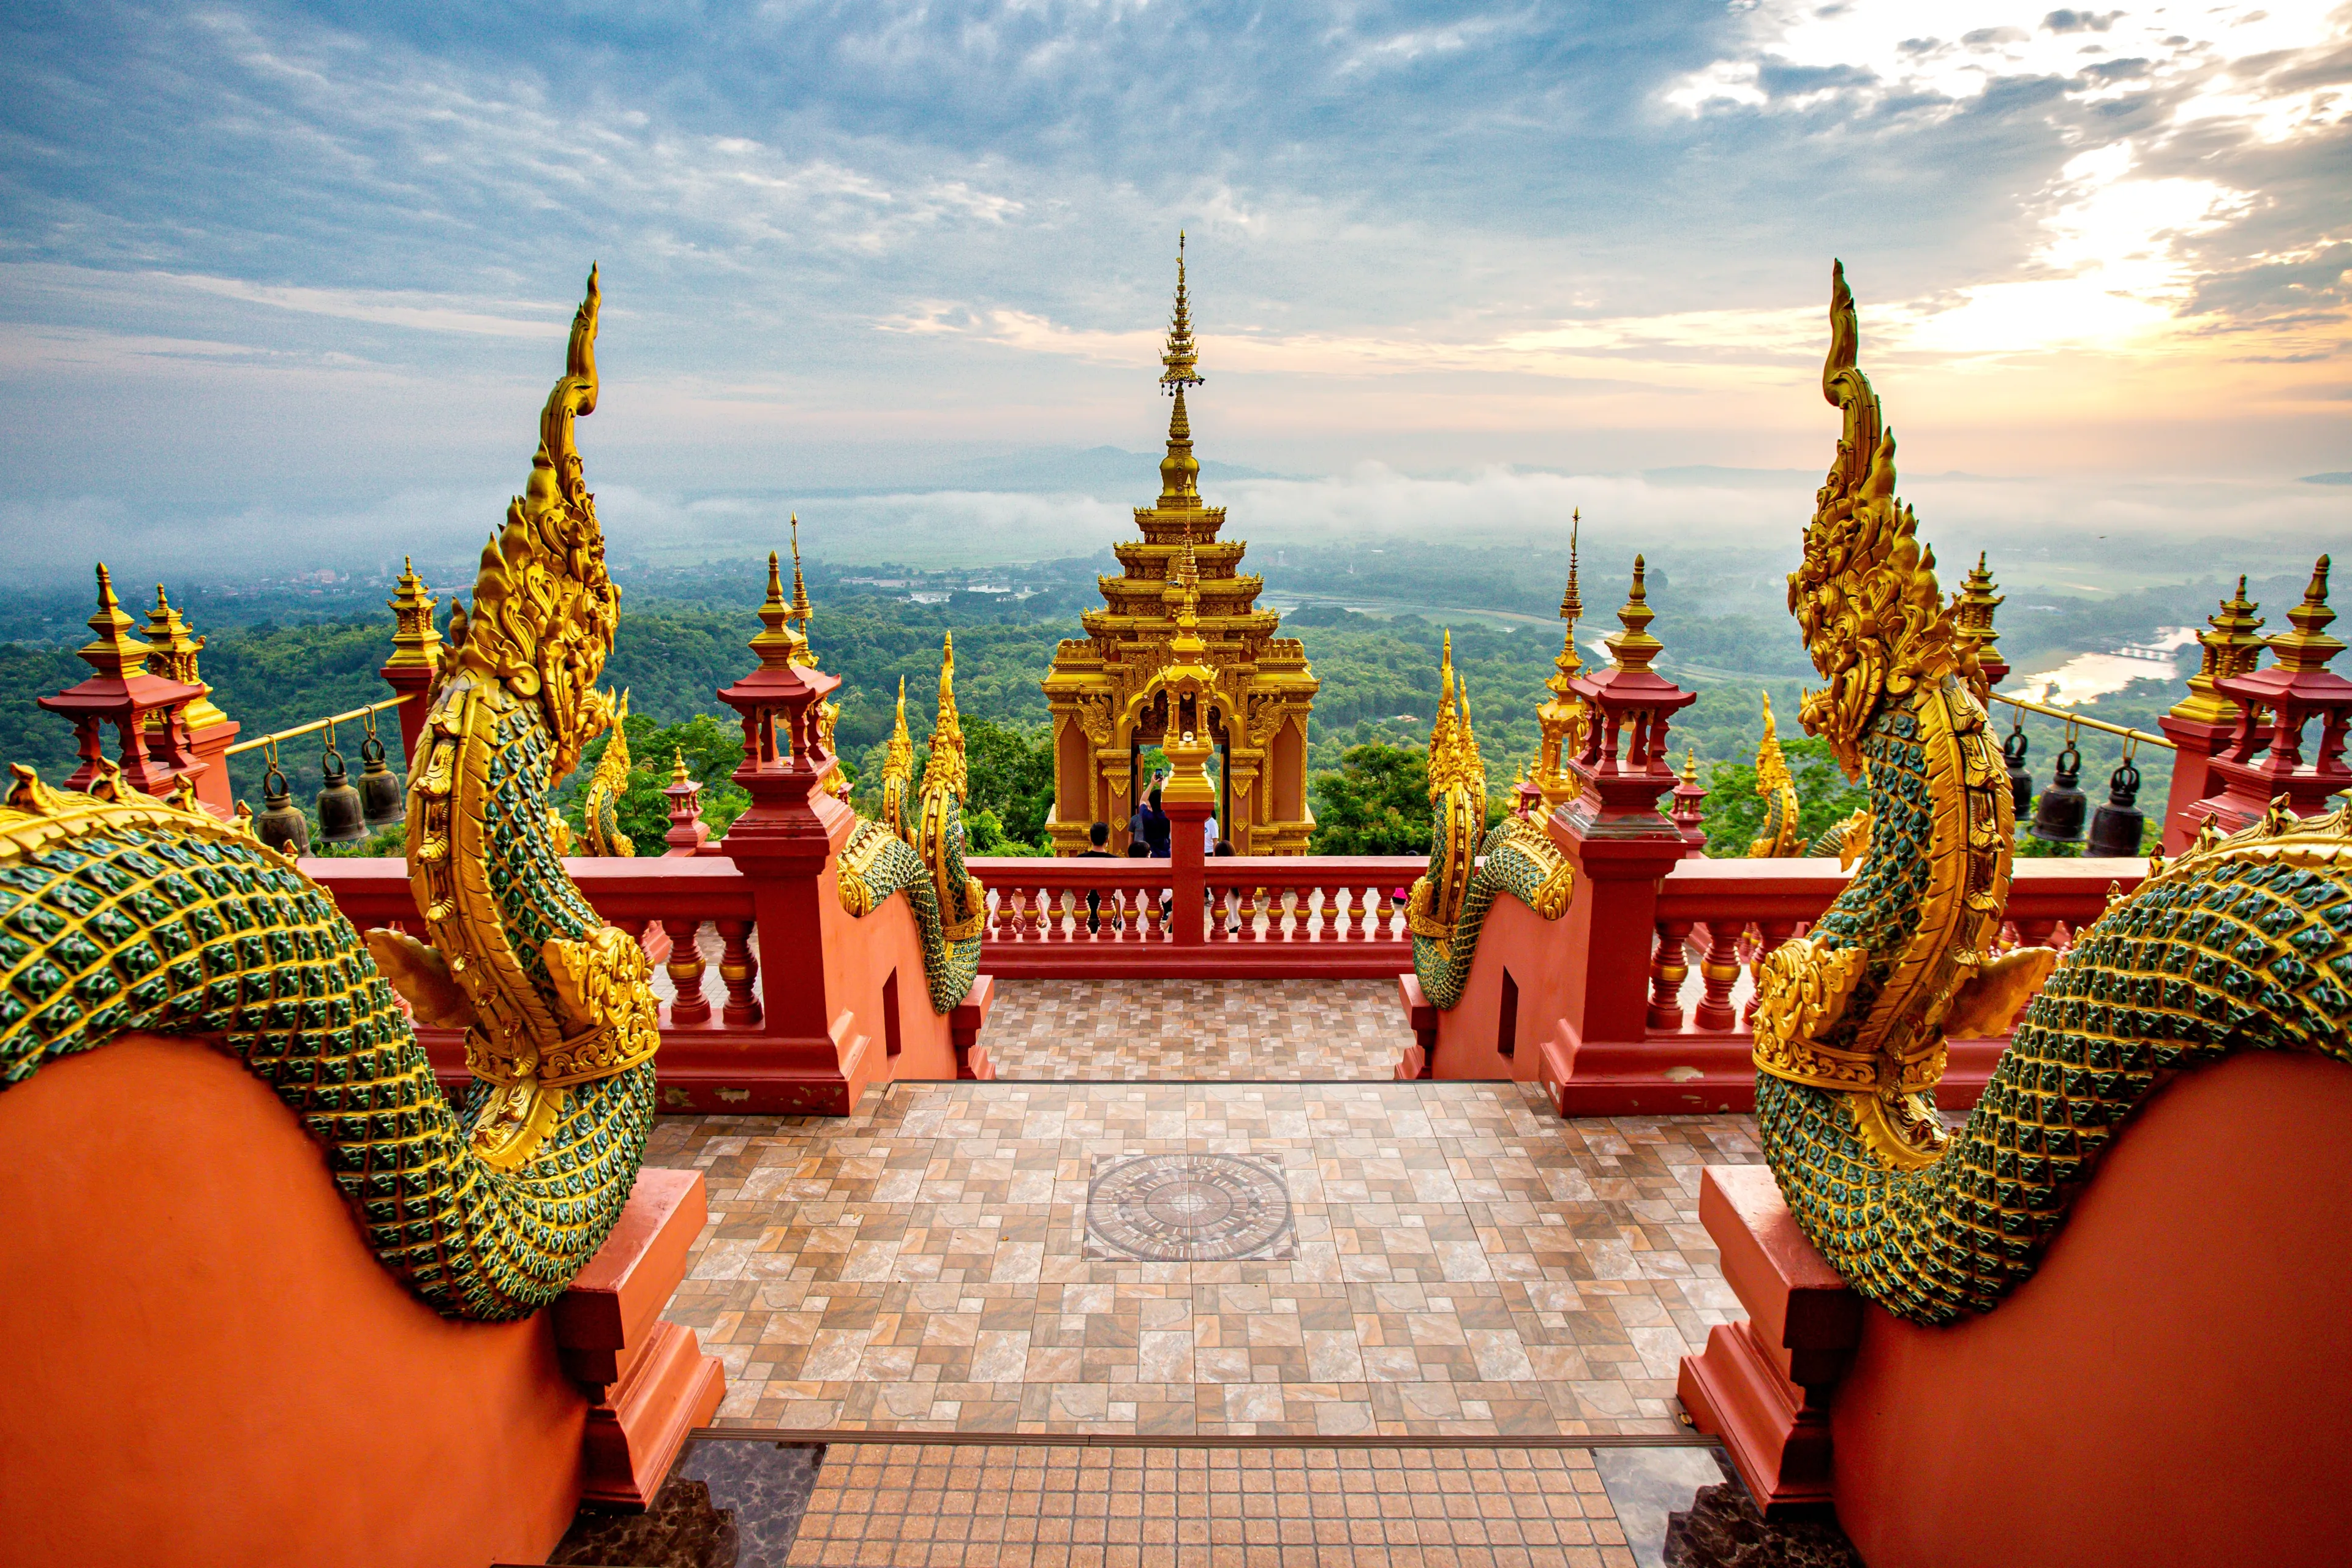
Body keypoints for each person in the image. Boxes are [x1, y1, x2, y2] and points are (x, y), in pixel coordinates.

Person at [1079, 821, 1114, 933]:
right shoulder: (1115, 861)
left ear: (1091, 838)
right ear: (1107, 839)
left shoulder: (1080, 859)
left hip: (1084, 907)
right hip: (1108, 907)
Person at [1141, 788, 1172, 859]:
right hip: (1166, 853)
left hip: (1150, 853)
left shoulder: (1146, 816)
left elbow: (1143, 800)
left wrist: (1152, 784)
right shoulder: (1168, 817)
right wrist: (1163, 786)